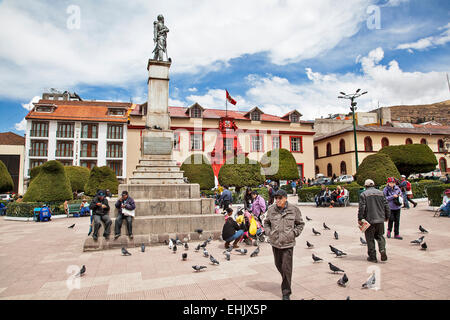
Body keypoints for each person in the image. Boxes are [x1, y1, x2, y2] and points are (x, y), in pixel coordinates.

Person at [264, 189, 305, 300]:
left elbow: (300, 224)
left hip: (288, 243)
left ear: (285, 198)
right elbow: (266, 222)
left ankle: (286, 292)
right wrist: (268, 233)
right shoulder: (271, 209)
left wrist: (294, 233)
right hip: (275, 242)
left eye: (280, 198)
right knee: (278, 264)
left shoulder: (293, 209)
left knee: (286, 267)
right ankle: (286, 279)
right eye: (276, 198)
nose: (277, 200)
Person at [358, 179, 390, 263]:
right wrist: (387, 216)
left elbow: (362, 208)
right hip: (380, 219)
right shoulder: (381, 193)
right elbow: (386, 205)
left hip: (369, 220)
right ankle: (382, 250)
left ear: (365, 186)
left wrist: (360, 218)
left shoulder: (363, 194)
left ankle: (373, 257)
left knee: (370, 238)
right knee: (380, 236)